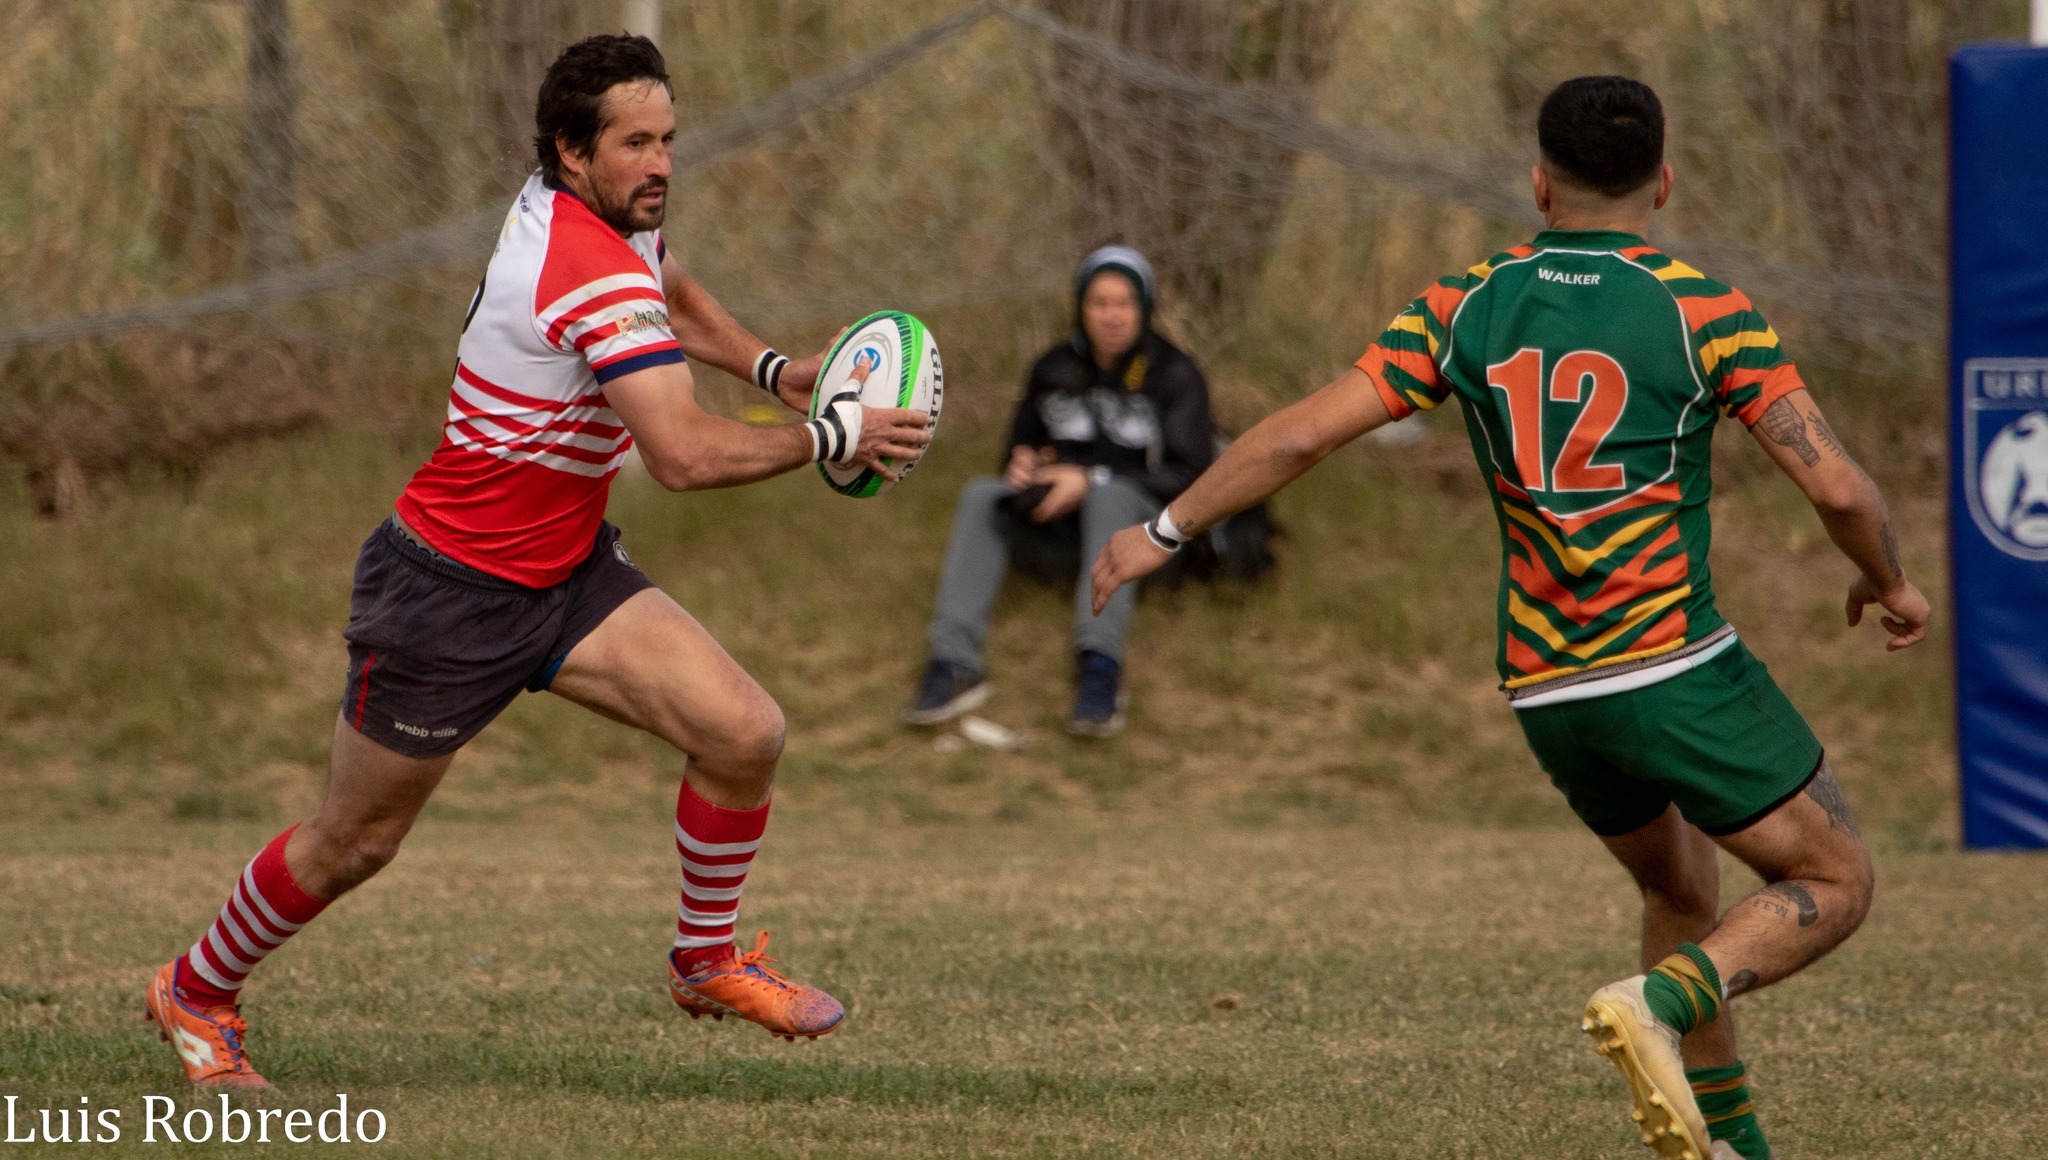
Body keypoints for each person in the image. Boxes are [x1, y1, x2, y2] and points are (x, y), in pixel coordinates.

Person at [1091, 76, 1927, 1160]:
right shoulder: (1703, 309)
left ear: (1538, 185)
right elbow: (1840, 492)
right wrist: (1889, 579)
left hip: (1546, 688)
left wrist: (1159, 531)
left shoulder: (1465, 301)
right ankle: (1661, 1002)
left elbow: (1299, 436)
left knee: (1679, 880)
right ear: (1663, 182)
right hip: (1668, 665)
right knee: (1833, 876)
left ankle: (1732, 1145)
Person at [142, 34, 931, 1089]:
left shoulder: (607, 222)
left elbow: (673, 285)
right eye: (635, 143)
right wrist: (831, 434)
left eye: (668, 141)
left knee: (743, 731)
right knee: (354, 842)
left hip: (564, 573)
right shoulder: (581, 268)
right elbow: (686, 456)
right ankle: (195, 986)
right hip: (446, 591)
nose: (660, 164)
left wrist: (778, 369)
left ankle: (703, 960)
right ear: (570, 149)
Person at [904, 245, 1213, 737]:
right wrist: (1023, 467)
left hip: (1148, 541)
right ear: (1080, 307)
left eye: (1124, 303)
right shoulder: (1052, 369)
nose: (1112, 316)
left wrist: (1092, 481)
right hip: (1062, 534)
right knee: (982, 494)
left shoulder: (1175, 374)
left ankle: (1099, 668)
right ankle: (954, 660)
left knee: (1110, 498)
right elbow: (1016, 452)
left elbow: (1196, 479)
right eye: (1099, 302)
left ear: (1146, 307)